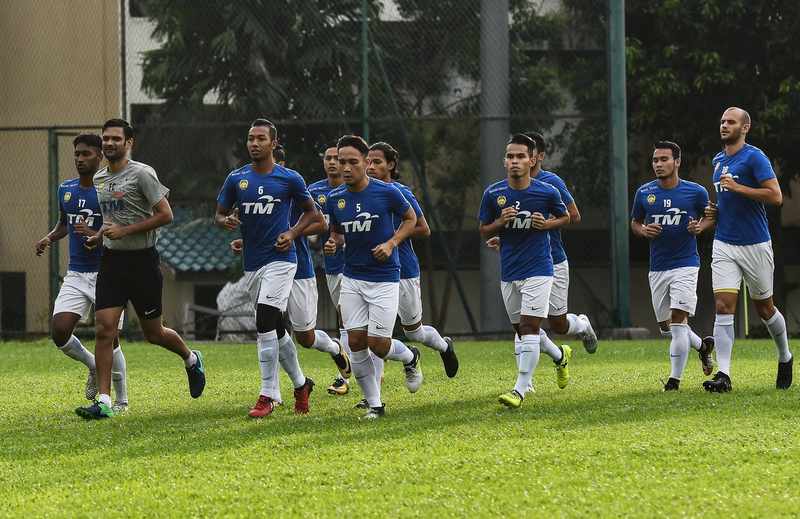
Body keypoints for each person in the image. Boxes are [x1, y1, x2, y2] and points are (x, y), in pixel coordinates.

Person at [76, 119, 205, 419]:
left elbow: (166, 215)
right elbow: (112, 220)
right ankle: (104, 402)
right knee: (104, 329)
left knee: (154, 333)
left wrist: (127, 231)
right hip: (111, 263)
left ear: (129, 142)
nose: (108, 143)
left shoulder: (143, 174)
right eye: (105, 138)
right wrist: (99, 236)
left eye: (115, 139)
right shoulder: (100, 178)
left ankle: (190, 358)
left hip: (143, 262)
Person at [216, 118, 319, 417]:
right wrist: (228, 222)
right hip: (252, 263)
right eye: (250, 138)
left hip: (282, 261)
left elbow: (313, 215)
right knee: (274, 326)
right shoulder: (236, 179)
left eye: (261, 138)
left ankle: (268, 394)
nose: (254, 143)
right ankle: (301, 384)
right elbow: (219, 215)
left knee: (263, 319)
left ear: (273, 143)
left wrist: (292, 233)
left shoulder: (290, 179)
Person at [324, 135, 421, 419]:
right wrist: (334, 242)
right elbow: (339, 233)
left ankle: (410, 356)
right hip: (352, 277)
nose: (345, 168)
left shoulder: (387, 192)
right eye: (342, 162)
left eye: (353, 162)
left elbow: (411, 219)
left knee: (379, 344)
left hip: (385, 277)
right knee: (355, 342)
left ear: (366, 163)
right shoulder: (335, 199)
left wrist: (391, 244)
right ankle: (375, 404)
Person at [35, 133, 128, 411]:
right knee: (59, 331)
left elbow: (120, 226)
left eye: (86, 154)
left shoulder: (109, 190)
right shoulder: (66, 189)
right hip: (76, 273)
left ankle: (121, 399)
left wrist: (97, 235)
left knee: (111, 337)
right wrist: (49, 238)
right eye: (76, 154)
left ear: (99, 156)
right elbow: (65, 223)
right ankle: (92, 365)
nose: (79, 159)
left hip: (107, 271)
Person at [703, 107, 793, 392]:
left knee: (765, 309)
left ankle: (785, 356)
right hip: (724, 243)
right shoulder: (718, 160)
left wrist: (741, 189)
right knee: (723, 306)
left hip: (755, 243)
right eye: (722, 121)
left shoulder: (755, 157)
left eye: (730, 122)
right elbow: (726, 200)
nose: (724, 125)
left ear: (745, 127)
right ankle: (724, 375)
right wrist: (711, 214)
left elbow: (776, 196)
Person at [479, 134, 569, 409]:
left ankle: (519, 389)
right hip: (510, 270)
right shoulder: (493, 193)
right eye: (510, 156)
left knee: (530, 327)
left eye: (520, 156)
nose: (514, 161)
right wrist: (500, 222)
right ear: (504, 161)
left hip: (540, 268)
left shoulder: (546, 191)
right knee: (522, 331)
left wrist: (547, 224)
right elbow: (483, 229)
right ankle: (560, 356)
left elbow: (566, 217)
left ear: (532, 160)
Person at [365, 141, 458, 385]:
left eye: (377, 162)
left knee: (413, 331)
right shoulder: (359, 194)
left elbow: (423, 228)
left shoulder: (401, 192)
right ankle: (372, 395)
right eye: (367, 162)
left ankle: (443, 346)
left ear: (391, 164)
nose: (370, 167)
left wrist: (393, 236)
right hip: (371, 271)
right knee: (370, 332)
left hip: (403, 270)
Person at [630, 141, 716, 390]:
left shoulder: (695, 192)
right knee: (666, 328)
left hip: (686, 264)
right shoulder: (644, 193)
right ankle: (702, 346)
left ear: (677, 161)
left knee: (679, 322)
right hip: (657, 267)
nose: (658, 164)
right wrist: (643, 230)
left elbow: (711, 215)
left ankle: (673, 381)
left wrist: (700, 227)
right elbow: (634, 222)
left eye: (664, 159)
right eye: (655, 160)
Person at [308, 146, 353, 396]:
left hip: (360, 265)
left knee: (348, 318)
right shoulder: (314, 191)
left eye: (338, 158)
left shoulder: (355, 188)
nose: (333, 162)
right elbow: (309, 226)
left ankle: (343, 377)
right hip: (333, 265)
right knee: (344, 317)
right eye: (329, 158)